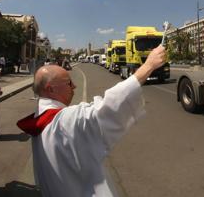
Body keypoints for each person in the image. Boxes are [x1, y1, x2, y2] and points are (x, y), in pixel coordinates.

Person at [17, 45, 166, 197]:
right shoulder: (62, 122)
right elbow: (107, 107)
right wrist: (148, 65)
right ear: (51, 89)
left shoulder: (40, 117)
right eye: (69, 83)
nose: (74, 86)